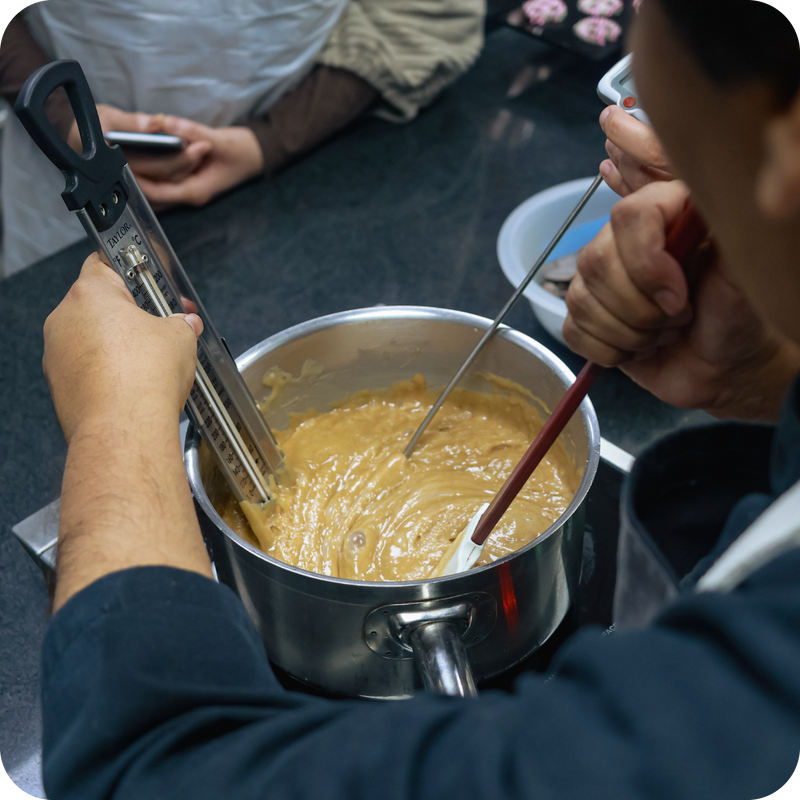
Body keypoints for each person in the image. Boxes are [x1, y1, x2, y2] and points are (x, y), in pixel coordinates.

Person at [37, 1, 800, 798]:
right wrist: (771, 373)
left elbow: (146, 769)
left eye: (645, 22)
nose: (627, 98)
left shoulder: (749, 698)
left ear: (781, 153)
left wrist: (116, 419)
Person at [0, 1, 485, 277]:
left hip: (291, 175)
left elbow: (427, 11)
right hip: (55, 175)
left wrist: (270, 140)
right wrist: (63, 116)